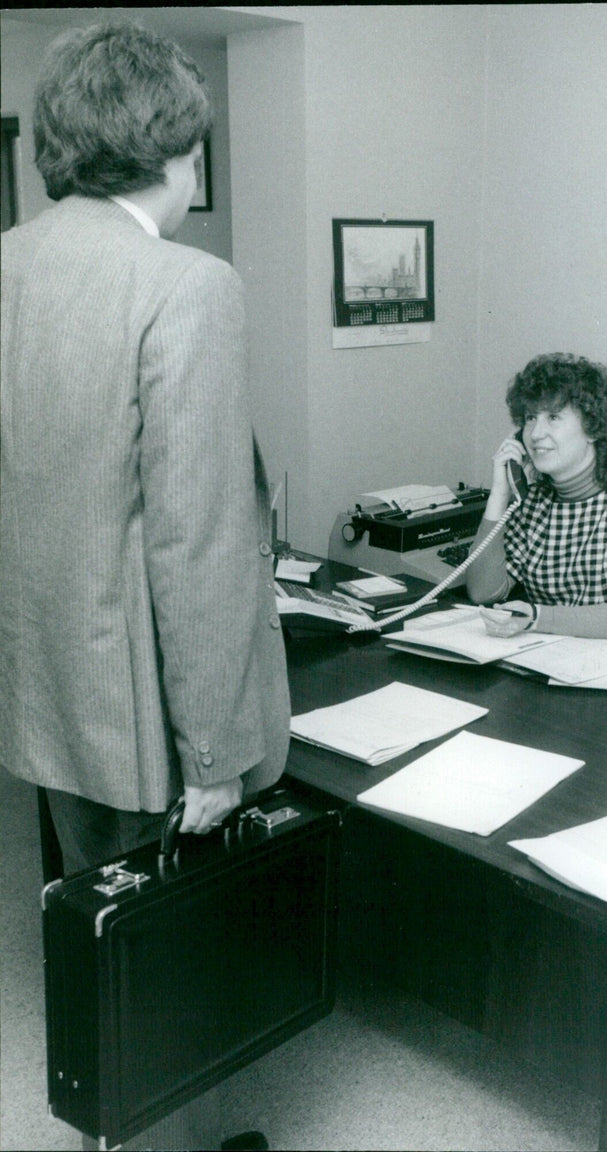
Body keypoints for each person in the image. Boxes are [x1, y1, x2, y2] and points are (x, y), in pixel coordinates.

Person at [0, 22, 290, 1151]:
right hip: (148, 715)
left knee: (101, 926)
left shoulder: (10, 264)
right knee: (173, 961)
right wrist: (216, 754)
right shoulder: (188, 285)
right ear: (180, 149)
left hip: (46, 691)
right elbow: (202, 538)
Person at [466, 353, 607, 649]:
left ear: (593, 428)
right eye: (530, 418)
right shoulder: (535, 501)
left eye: (553, 417)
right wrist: (500, 493)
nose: (536, 434)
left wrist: (537, 618)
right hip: (553, 654)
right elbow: (483, 592)